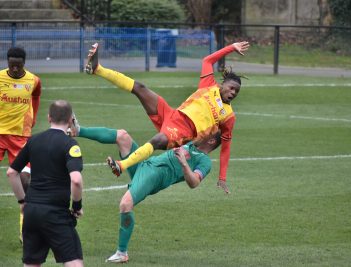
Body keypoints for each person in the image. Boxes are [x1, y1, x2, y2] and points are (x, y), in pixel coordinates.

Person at [85, 41, 249, 193]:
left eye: (237, 91)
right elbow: (207, 61)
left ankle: (122, 165)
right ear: (223, 84)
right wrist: (231, 47)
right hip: (172, 115)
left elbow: (225, 148)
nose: (233, 93)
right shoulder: (209, 85)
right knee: (141, 88)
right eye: (232, 88)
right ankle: (98, 69)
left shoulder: (228, 116)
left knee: (157, 141)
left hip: (183, 131)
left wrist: (222, 178)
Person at [68, 117, 220, 263]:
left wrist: (184, 164)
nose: (202, 131)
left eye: (206, 132)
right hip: (145, 164)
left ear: (211, 140)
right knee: (122, 136)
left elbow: (194, 182)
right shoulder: (190, 142)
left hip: (154, 176)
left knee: (125, 204)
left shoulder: (204, 161)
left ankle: (122, 253)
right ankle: (79, 131)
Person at [7, 100, 84, 267]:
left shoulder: (33, 141)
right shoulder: (70, 144)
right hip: (55, 213)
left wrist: (22, 201)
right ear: (71, 119)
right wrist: (77, 206)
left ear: (49, 118)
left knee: (32, 263)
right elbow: (76, 180)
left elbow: (12, 173)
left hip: (32, 212)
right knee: (74, 262)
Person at [0, 46, 41, 242]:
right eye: (12, 65)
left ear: (24, 63)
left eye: (18, 66)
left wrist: (32, 119)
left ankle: (24, 230)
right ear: (7, 62)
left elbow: (36, 96)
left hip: (21, 137)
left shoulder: (33, 80)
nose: (15, 69)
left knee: (25, 182)